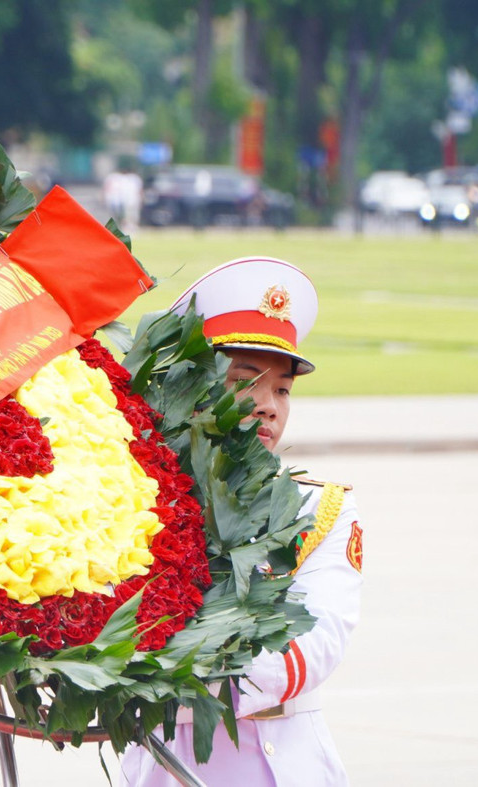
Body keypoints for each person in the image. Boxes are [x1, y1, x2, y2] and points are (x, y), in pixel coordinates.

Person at [121, 257, 363, 787]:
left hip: (289, 763)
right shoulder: (135, 500)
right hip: (173, 763)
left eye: (281, 390)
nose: (268, 406)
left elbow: (320, 638)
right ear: (189, 388)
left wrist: (182, 679)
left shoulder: (318, 510)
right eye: (243, 382)